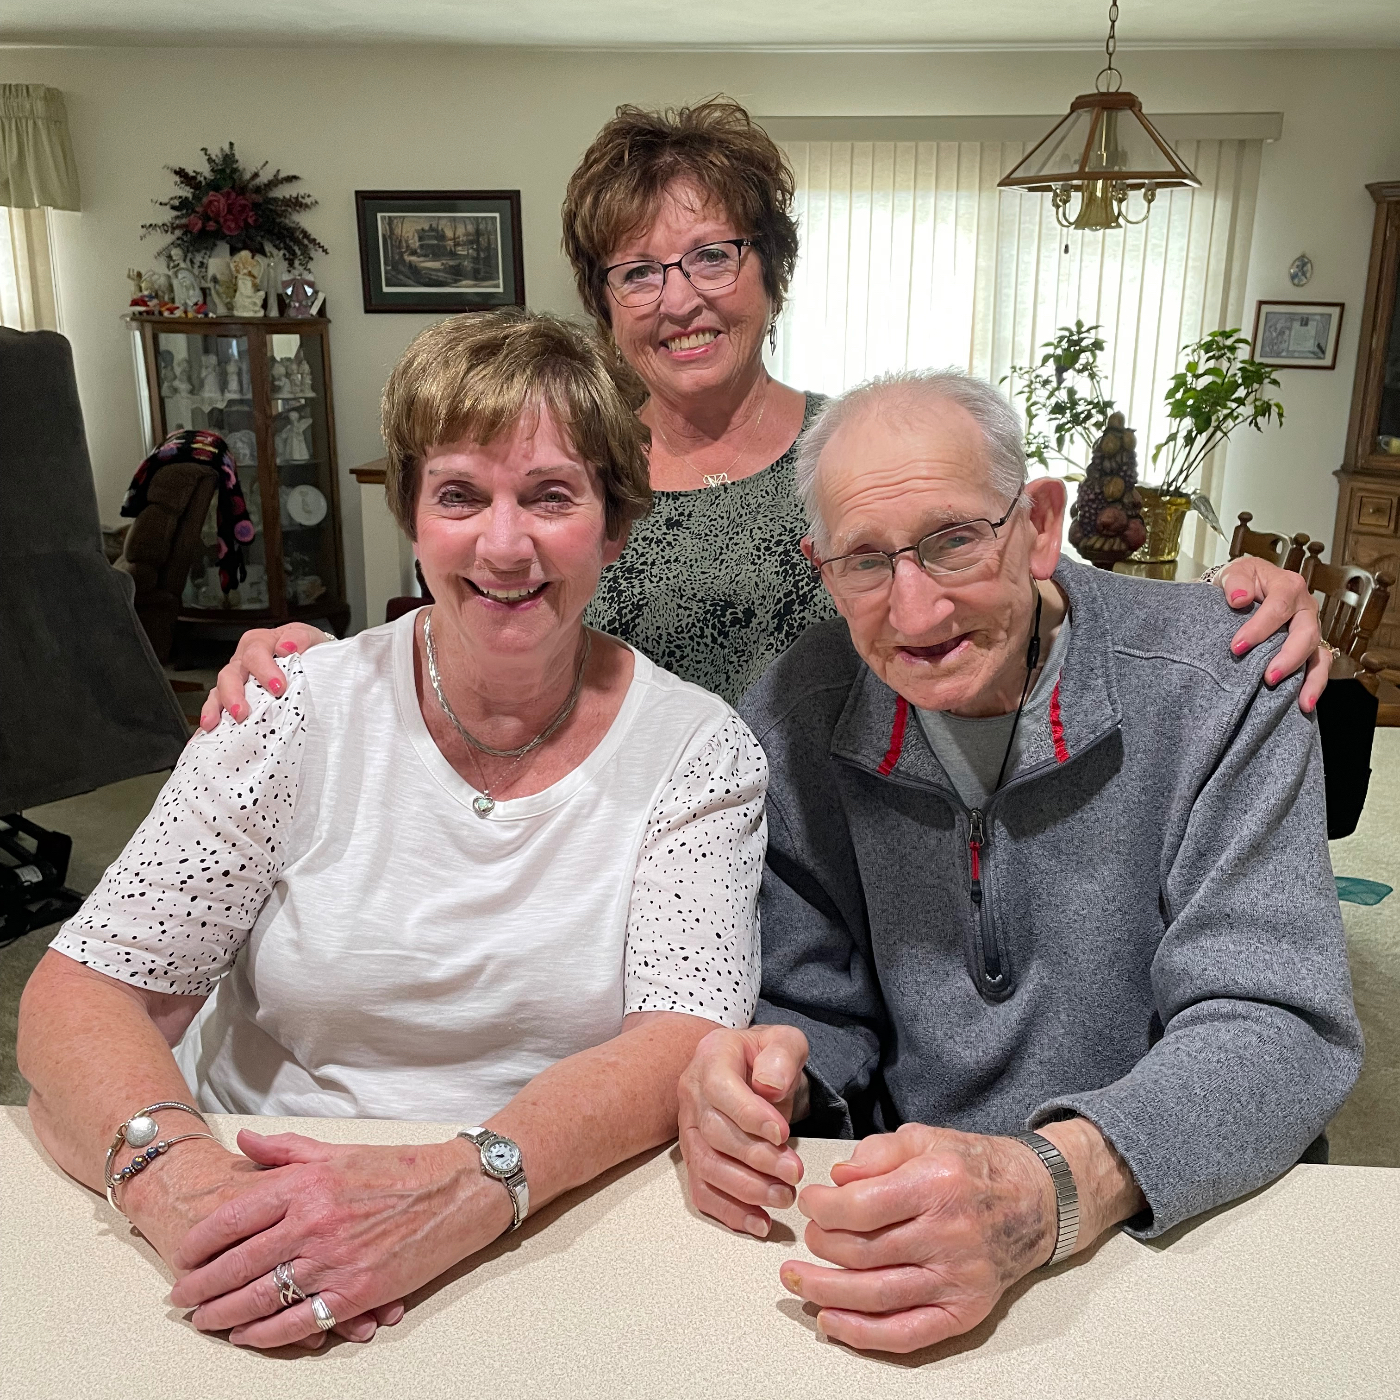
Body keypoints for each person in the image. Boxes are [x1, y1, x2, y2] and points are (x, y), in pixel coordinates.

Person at [17, 310, 767, 1352]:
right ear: (412, 512)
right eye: (460, 493)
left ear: (615, 522)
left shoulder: (699, 750)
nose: (502, 544)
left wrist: (461, 1188)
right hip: (259, 1203)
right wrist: (192, 1197)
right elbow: (86, 988)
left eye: (550, 495)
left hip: (546, 1211)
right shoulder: (285, 708)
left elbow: (684, 1036)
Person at [204, 98, 1328, 719]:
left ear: (769, 267)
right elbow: (482, 619)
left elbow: (1001, 579)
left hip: (854, 856)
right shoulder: (565, 474)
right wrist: (315, 659)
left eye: (710, 254)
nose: (679, 298)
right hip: (617, 850)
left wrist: (1226, 608)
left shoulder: (852, 453)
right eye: (635, 270)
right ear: (600, 300)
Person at [677, 369, 1362, 1355]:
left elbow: (1276, 1021)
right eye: (864, 560)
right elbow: (811, 999)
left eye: (952, 538)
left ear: (1038, 522)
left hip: (1186, 1220)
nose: (913, 611)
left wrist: (1053, 1183)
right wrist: (770, 1076)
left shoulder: (1222, 681)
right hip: (910, 1228)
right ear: (819, 570)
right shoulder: (794, 708)